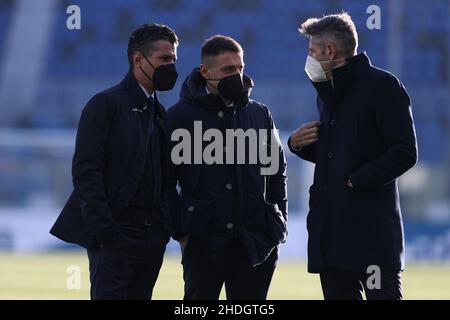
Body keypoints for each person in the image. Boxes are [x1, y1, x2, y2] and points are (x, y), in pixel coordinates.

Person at [288, 13, 418, 300]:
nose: (308, 57)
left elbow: (404, 152)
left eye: (312, 51)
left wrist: (356, 181)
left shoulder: (383, 86)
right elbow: (339, 152)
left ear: (330, 51)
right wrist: (297, 144)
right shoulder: (327, 92)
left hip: (370, 233)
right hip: (330, 234)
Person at [50, 23, 179, 300]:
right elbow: (86, 172)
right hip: (116, 238)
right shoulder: (104, 105)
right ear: (138, 60)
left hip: (151, 238)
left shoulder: (159, 112)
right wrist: (106, 232)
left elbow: (166, 179)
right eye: (164, 58)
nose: (171, 66)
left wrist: (163, 229)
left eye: (173, 59)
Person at [166, 35, 288, 300]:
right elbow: (164, 183)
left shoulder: (260, 114)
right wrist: (182, 232)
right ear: (205, 72)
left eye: (241, 68)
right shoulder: (178, 118)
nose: (238, 75)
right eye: (228, 69)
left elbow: (276, 171)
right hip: (202, 244)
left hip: (255, 245)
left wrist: (278, 221)